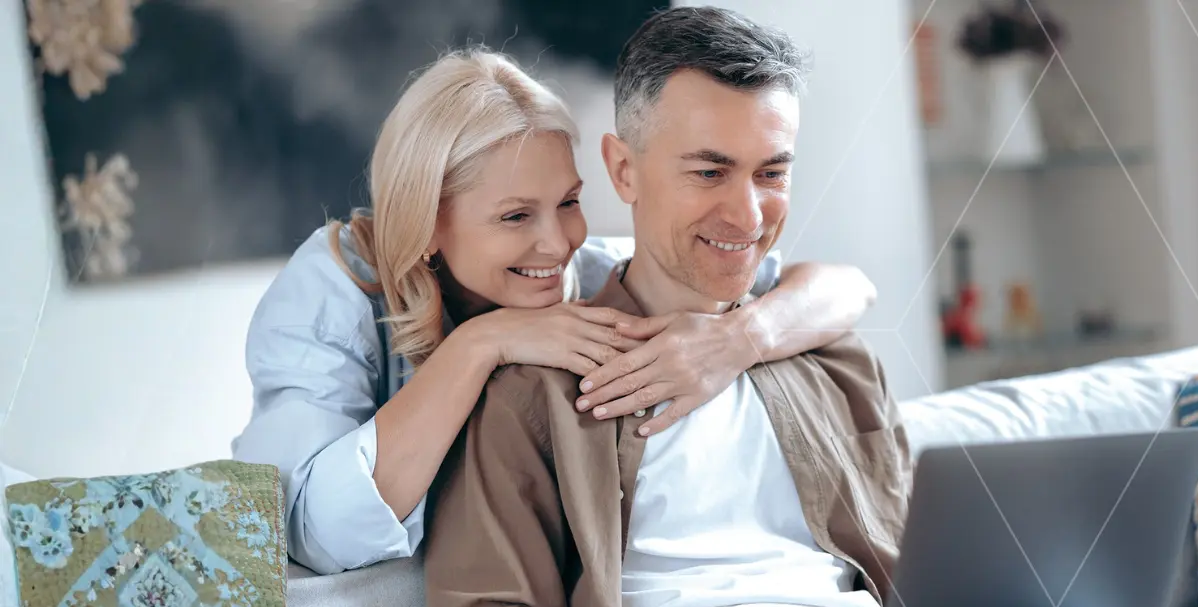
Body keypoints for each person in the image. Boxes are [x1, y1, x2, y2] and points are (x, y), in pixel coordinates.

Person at [422, 7, 1198, 607]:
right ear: (623, 169)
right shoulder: (536, 380)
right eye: (709, 171)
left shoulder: (822, 356)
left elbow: (916, 558)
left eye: (772, 170)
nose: (747, 211)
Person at [231, 48, 880, 576]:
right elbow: (314, 535)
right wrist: (479, 345)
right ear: (426, 223)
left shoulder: (585, 272)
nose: (557, 241)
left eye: (567, 201)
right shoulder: (339, 287)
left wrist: (742, 337)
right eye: (515, 216)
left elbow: (842, 288)